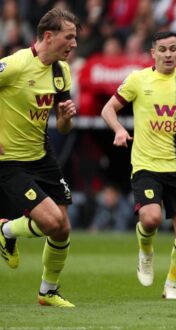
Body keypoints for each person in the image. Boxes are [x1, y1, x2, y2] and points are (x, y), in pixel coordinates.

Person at [101, 31, 176, 300]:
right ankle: (145, 251)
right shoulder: (138, 79)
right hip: (145, 165)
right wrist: (119, 130)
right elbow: (108, 109)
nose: (168, 54)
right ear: (152, 53)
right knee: (151, 218)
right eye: (163, 49)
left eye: (173, 49)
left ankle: (172, 284)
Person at [0, 8, 79, 308]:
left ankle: (48, 291)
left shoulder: (61, 71)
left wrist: (65, 119)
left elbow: (62, 126)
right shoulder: (15, 65)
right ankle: (5, 230)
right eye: (69, 37)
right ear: (49, 36)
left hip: (42, 156)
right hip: (10, 161)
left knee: (63, 228)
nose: (73, 44)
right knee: (50, 221)